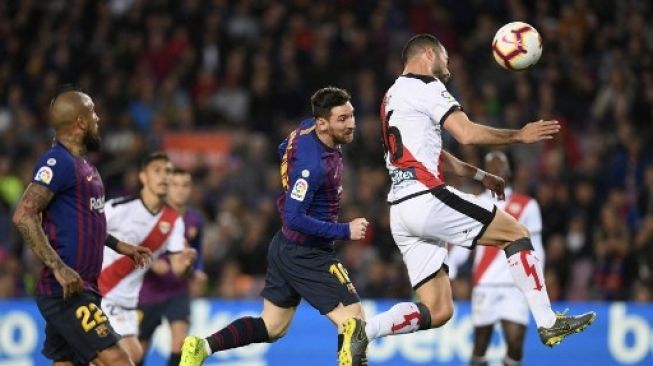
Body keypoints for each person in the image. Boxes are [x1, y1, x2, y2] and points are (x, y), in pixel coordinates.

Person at [364, 34, 595, 347]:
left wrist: (478, 174)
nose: (449, 66)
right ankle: (549, 322)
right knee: (515, 232)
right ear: (429, 55)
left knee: (440, 309)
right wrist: (519, 135)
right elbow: (467, 133)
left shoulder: (391, 97)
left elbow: (433, 154)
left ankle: (363, 330)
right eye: (445, 57)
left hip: (401, 211)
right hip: (426, 197)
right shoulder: (427, 86)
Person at [180, 87, 371, 366]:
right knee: (354, 324)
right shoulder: (314, 166)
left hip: (285, 246)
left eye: (351, 115)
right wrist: (345, 230)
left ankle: (202, 347)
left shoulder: (305, 129)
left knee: (273, 327)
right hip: (308, 253)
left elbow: (283, 148)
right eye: (342, 119)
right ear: (323, 123)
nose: (351, 123)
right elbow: (294, 216)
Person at [12, 90, 151, 366]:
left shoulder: (84, 166)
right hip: (66, 290)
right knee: (119, 360)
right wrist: (58, 267)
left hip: (83, 286)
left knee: (66, 362)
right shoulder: (57, 162)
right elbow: (23, 215)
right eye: (93, 113)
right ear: (81, 122)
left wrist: (119, 246)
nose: (98, 118)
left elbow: (87, 223)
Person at [99, 152, 197, 364]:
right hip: (102, 293)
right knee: (125, 357)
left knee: (131, 356)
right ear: (143, 177)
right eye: (157, 171)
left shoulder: (174, 221)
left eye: (168, 171)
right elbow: (86, 233)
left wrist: (187, 263)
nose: (164, 176)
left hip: (128, 304)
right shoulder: (118, 208)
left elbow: (178, 269)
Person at [448, 151, 545, 366]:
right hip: (485, 283)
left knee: (516, 342)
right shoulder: (474, 203)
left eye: (500, 164)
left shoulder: (527, 205)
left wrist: (538, 285)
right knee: (481, 342)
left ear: (509, 171)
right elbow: (464, 242)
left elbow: (536, 247)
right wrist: (450, 271)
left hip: (515, 285)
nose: (496, 169)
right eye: (490, 166)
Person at [137, 167, 207, 366]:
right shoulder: (152, 216)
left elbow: (197, 250)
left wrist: (199, 270)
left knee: (180, 343)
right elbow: (134, 244)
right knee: (139, 349)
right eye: (175, 185)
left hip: (178, 288)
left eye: (185, 185)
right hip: (149, 290)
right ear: (167, 188)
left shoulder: (195, 220)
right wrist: (151, 263)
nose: (180, 190)